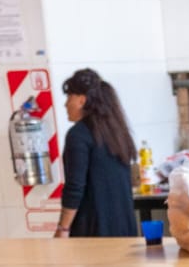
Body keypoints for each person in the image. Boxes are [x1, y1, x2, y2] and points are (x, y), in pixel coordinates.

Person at [54, 68, 139, 238]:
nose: (65, 104)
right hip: (125, 226)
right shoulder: (116, 131)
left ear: (81, 100)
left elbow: (75, 186)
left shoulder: (78, 134)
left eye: (69, 97)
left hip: (94, 230)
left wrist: (63, 228)